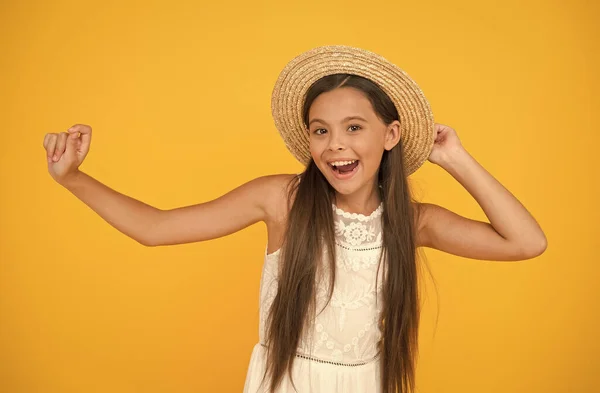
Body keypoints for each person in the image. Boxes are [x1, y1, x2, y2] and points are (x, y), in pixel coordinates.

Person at [42, 46, 547, 393]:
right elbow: (155, 229)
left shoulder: (413, 223)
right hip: (286, 381)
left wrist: (454, 157)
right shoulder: (280, 199)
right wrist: (73, 179)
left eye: (354, 127)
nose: (336, 145)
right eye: (320, 130)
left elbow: (527, 242)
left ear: (390, 135)